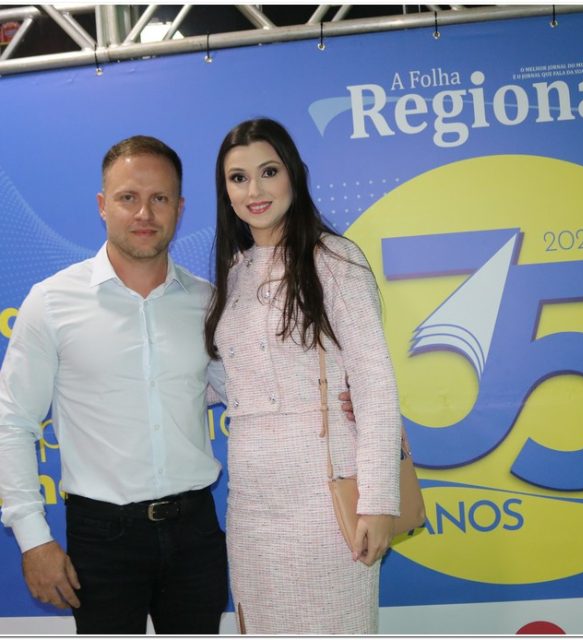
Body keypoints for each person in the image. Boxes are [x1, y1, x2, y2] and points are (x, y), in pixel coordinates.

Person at [0, 135, 229, 634]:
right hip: (102, 539)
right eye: (128, 197)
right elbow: (11, 424)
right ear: (103, 206)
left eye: (160, 198)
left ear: (180, 209)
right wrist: (34, 539)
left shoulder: (209, 303)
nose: (144, 212)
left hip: (196, 534)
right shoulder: (52, 302)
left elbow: (253, 395)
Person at [204, 118, 402, 634]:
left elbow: (374, 383)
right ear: (226, 192)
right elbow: (233, 382)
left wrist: (379, 502)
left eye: (268, 172)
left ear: (294, 173)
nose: (255, 190)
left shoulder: (334, 259)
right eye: (238, 178)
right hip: (252, 502)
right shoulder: (235, 274)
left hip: (325, 494)